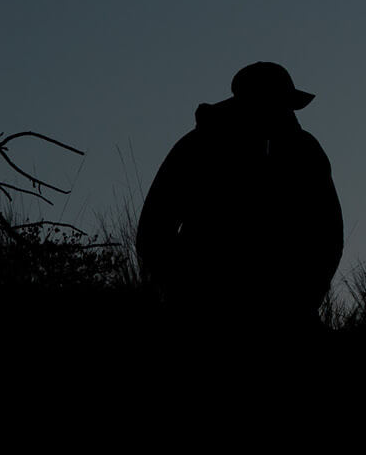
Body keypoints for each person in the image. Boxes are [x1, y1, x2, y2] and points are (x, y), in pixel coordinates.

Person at [137, 62, 343, 338]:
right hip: (201, 314)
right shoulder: (198, 147)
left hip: (286, 315)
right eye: (281, 104)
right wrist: (181, 291)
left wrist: (303, 300)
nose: (288, 115)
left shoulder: (304, 152)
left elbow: (328, 236)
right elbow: (154, 229)